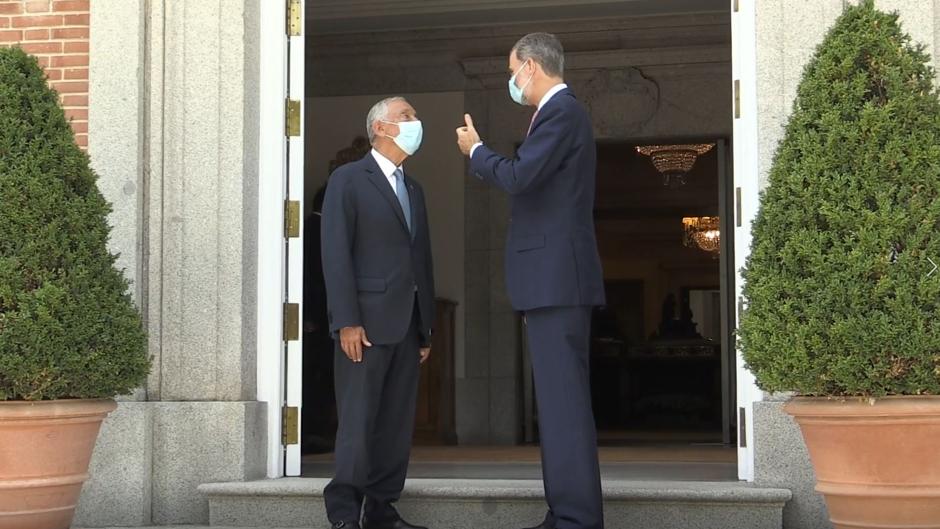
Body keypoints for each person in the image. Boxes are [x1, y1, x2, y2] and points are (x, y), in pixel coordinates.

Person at [455, 32, 605, 529]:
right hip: (554, 280)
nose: (511, 81)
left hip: (557, 280)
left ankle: (576, 518)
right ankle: (564, 511)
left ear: (532, 68)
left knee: (562, 406)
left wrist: (477, 152)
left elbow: (521, 176)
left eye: (512, 70)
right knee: (559, 405)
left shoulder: (562, 112)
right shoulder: (559, 114)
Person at [321, 96, 435, 529]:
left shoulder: (414, 188)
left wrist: (425, 328)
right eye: (407, 116)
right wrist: (345, 320)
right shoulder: (348, 180)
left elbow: (421, 259)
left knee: (395, 423)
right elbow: (335, 254)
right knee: (359, 421)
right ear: (382, 128)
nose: (415, 122)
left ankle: (382, 509)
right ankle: (345, 514)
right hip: (363, 326)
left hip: (406, 325)